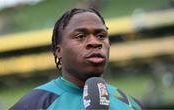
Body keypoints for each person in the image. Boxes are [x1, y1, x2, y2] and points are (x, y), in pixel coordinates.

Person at [10, 8, 143, 110]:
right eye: (80, 36)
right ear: (59, 51)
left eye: (101, 36)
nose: (94, 42)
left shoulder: (132, 104)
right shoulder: (34, 105)